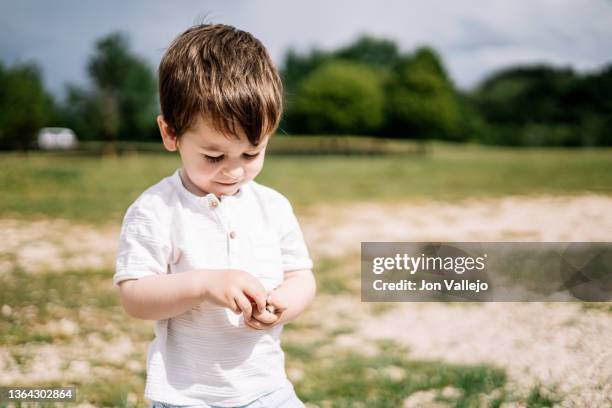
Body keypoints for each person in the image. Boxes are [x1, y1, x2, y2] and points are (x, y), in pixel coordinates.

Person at [113, 24, 316, 408]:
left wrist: (283, 304)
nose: (234, 171)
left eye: (251, 154)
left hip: (268, 390)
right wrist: (204, 285)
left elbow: (301, 276)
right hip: (188, 397)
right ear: (170, 134)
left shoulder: (272, 207)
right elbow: (135, 296)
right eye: (214, 156)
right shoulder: (156, 209)